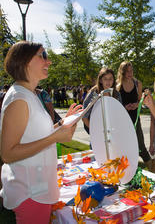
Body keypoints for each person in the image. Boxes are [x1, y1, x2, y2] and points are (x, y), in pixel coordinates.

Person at [0, 41, 82, 224]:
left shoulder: (29, 94)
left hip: (37, 186)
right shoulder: (19, 98)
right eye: (43, 55)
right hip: (29, 191)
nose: (49, 61)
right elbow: (7, 153)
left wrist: (62, 122)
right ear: (26, 61)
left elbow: (35, 134)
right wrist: (55, 137)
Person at [116, 61, 152, 171]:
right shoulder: (118, 86)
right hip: (123, 121)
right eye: (127, 71)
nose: (130, 73)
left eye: (131, 70)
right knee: (125, 148)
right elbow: (116, 106)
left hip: (135, 119)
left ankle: (154, 172)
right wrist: (124, 107)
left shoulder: (137, 83)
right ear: (122, 72)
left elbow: (140, 101)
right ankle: (127, 173)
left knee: (141, 147)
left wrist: (136, 105)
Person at [82, 67, 121, 135]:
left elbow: (119, 114)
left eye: (110, 79)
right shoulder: (94, 93)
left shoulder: (116, 94)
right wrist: (94, 131)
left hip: (112, 132)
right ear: (100, 80)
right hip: (97, 132)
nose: (108, 81)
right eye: (105, 79)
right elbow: (84, 116)